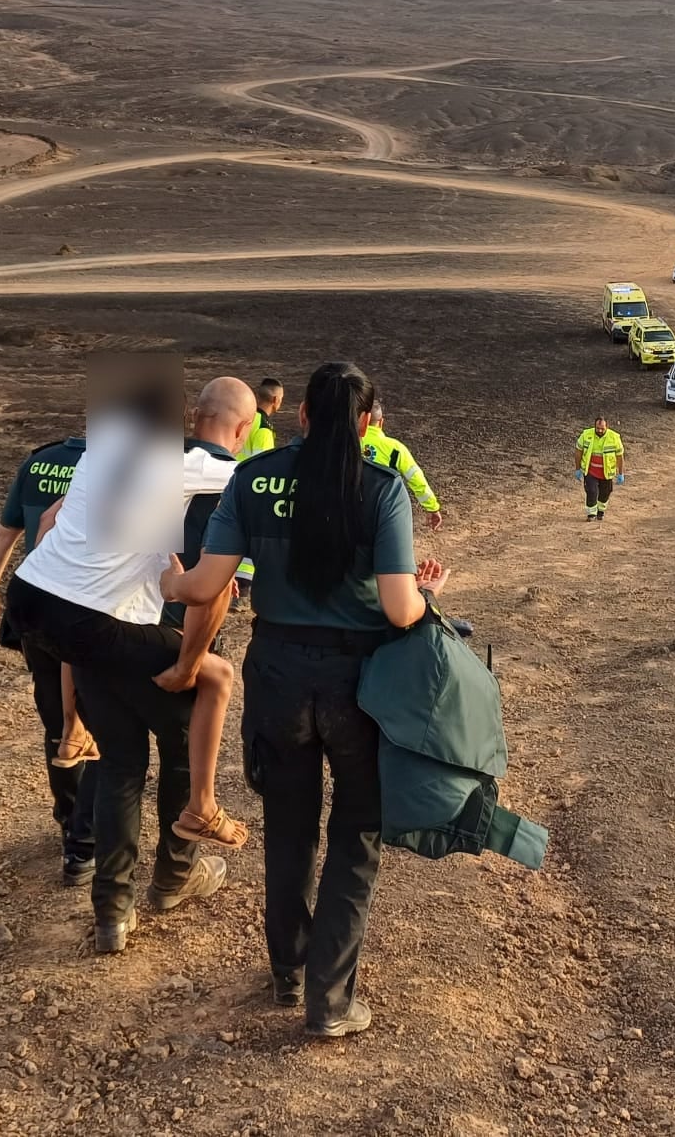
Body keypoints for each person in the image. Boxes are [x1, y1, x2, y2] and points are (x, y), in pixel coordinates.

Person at [163, 361, 447, 1039]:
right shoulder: (381, 490)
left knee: (289, 829)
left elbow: (205, 587)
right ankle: (331, 1000)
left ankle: (288, 973)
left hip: (279, 676)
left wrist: (171, 582)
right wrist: (431, 591)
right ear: (369, 424)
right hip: (361, 687)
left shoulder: (253, 480)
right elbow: (401, 609)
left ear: (303, 417)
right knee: (356, 836)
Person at [7, 373, 256, 953]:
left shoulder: (101, 455)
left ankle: (112, 913)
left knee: (119, 763)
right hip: (120, 627)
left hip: (57, 610)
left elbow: (46, 523)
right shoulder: (203, 471)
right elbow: (220, 568)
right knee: (184, 737)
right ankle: (176, 875)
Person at [0, 431, 97, 884]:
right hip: (91, 609)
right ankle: (88, 835)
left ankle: (70, 822)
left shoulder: (40, 461)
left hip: (37, 611)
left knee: (56, 717)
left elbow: (8, 529)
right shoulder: (117, 465)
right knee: (97, 716)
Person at [231, 378, 287, 607]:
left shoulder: (241, 419)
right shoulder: (263, 428)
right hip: (248, 488)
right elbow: (263, 465)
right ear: (275, 400)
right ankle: (242, 590)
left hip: (226, 483)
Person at [361, 402, 444, 530]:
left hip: (352, 505)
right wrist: (432, 507)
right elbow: (416, 478)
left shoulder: (348, 442)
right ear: (381, 422)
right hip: (384, 509)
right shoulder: (396, 448)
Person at [575, 415, 625, 521]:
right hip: (591, 471)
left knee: (605, 492)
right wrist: (578, 469)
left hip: (606, 472)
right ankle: (591, 514)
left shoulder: (614, 438)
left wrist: (620, 473)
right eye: (598, 428)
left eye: (602, 428)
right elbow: (578, 452)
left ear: (607, 426)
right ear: (594, 426)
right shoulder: (586, 435)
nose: (600, 430)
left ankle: (600, 511)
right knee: (591, 491)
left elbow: (620, 457)